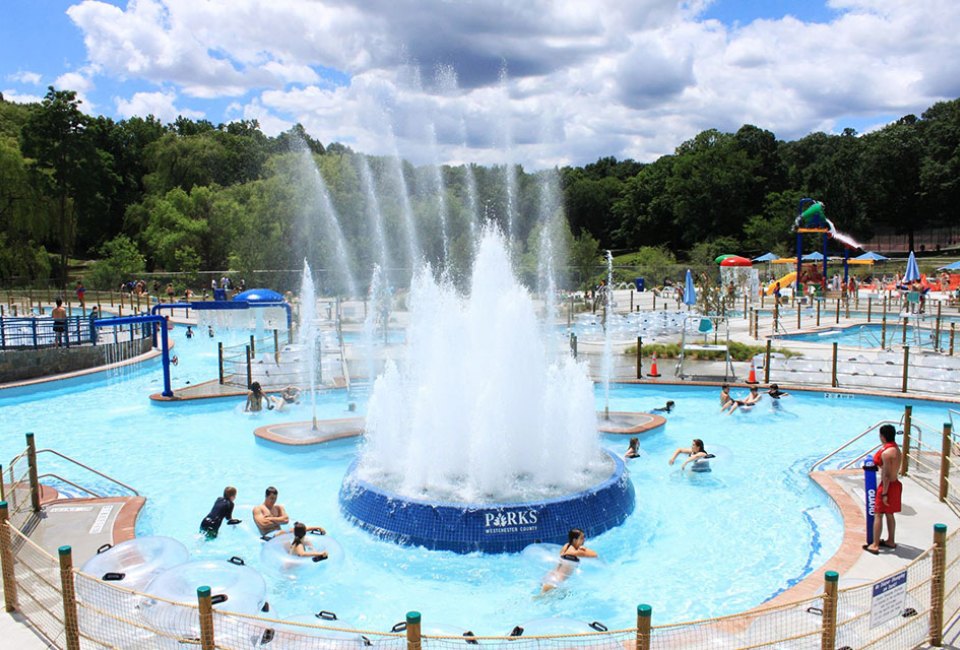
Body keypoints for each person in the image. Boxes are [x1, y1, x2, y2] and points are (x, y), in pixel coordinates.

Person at [864, 425, 903, 554]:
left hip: (887, 487)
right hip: (896, 484)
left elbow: (886, 476)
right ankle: (891, 541)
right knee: (890, 514)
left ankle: (874, 545)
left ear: (882, 436)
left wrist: (884, 493)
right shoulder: (897, 449)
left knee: (878, 514)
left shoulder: (886, 453)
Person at [541, 528, 597, 593]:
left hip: (549, 577)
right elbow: (594, 555)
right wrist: (584, 549)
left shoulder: (566, 546)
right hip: (554, 583)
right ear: (575, 540)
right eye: (581, 538)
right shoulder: (575, 552)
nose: (584, 540)